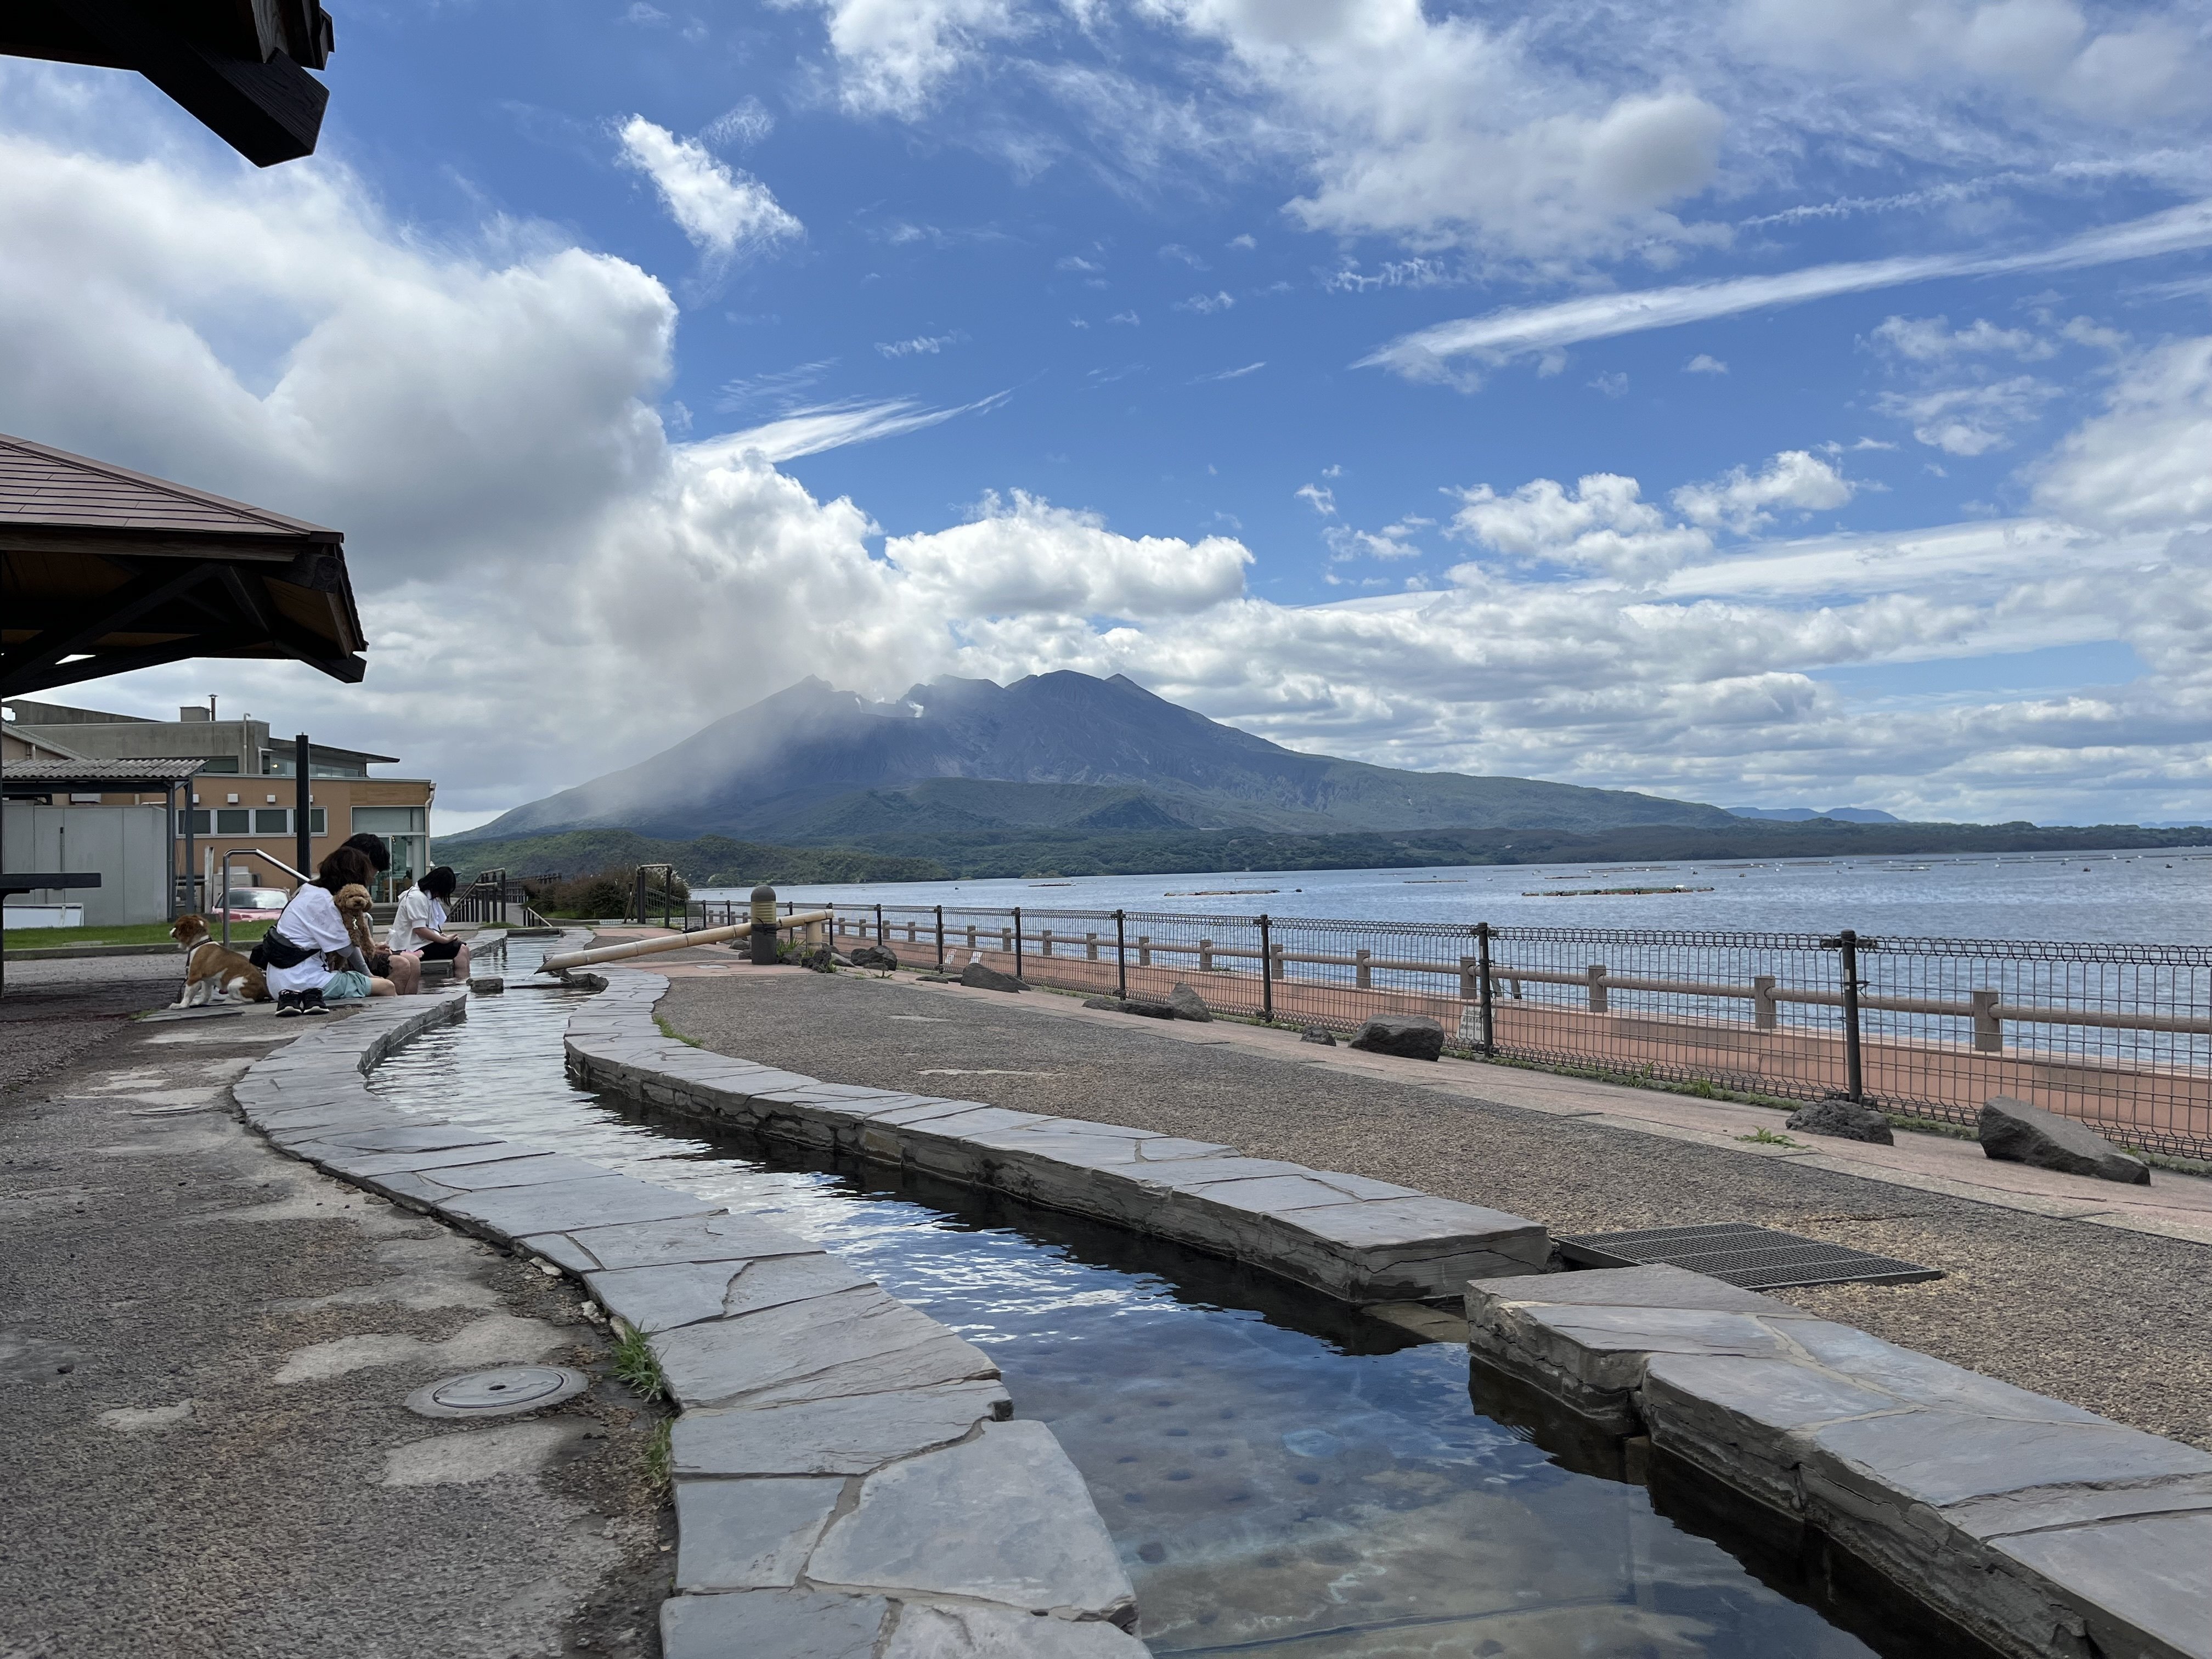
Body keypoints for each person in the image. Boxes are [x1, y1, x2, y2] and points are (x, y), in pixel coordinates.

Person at [262, 847, 393, 1015]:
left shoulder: (309, 891)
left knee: (372, 984)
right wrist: (368, 974)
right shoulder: (324, 903)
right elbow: (346, 949)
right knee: (387, 987)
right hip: (303, 982)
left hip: (282, 981)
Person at [388, 865, 470, 985]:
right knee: (460, 949)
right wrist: (444, 941)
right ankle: (460, 984)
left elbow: (427, 928)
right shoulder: (416, 897)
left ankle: (462, 982)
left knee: (464, 947)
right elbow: (420, 930)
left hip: (418, 943)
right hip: (409, 947)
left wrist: (443, 937)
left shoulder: (425, 896)